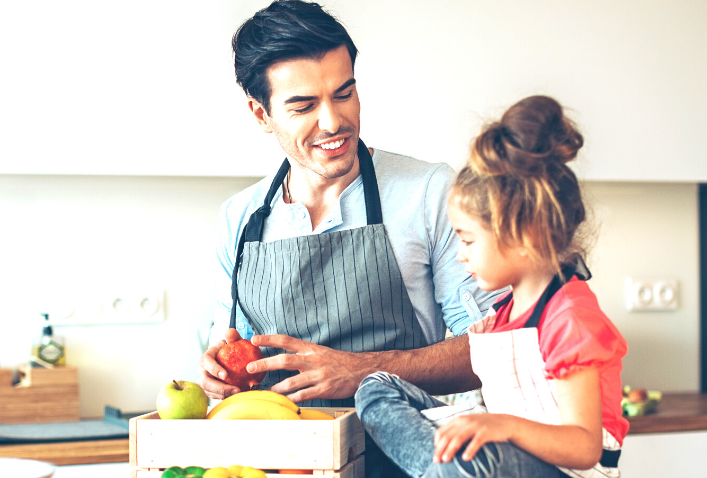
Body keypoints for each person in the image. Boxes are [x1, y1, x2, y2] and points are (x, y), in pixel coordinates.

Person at [356, 95, 629, 478]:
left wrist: (496, 427)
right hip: (508, 459)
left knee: (481, 462)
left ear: (521, 235)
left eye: (467, 240)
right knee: (375, 386)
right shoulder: (505, 310)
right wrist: (486, 366)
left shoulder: (572, 318)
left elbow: (584, 447)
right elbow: (509, 401)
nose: (460, 255)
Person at [198, 0, 498, 407]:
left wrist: (363, 372)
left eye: (344, 94)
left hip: (398, 462)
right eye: (304, 106)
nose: (333, 121)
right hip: (285, 464)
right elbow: (228, 349)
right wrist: (217, 375)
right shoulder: (239, 218)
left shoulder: (429, 191)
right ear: (261, 114)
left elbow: (493, 348)